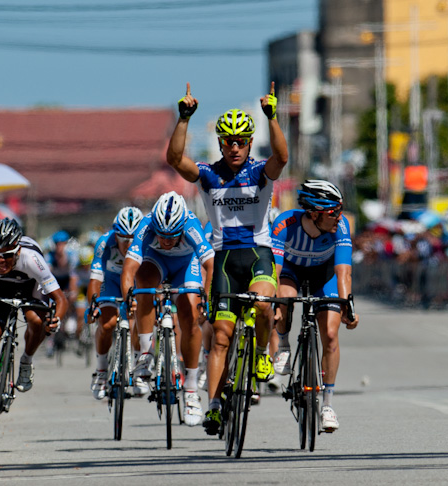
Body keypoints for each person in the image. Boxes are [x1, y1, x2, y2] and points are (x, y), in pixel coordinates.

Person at [166, 82, 288, 436]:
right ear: (220, 143)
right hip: (223, 261)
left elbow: (282, 158)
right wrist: (184, 118)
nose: (234, 147)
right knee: (220, 336)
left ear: (250, 143)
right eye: (228, 142)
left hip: (257, 254)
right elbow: (175, 160)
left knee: (264, 305)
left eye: (241, 141)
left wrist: (273, 117)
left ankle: (262, 355)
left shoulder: (259, 172)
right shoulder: (208, 174)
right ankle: (216, 406)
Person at [270, 180, 360, 432]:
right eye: (333, 212)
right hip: (290, 271)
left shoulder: (340, 226)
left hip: (324, 276)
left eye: (340, 210)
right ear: (314, 212)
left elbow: (343, 271)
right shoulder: (284, 224)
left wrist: (347, 306)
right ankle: (284, 345)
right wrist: (276, 306)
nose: (338, 217)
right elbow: (274, 272)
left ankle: (328, 405)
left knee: (330, 334)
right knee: (285, 298)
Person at [0, 218, 68, 427]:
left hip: (31, 286)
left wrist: (56, 319)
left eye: (7, 256)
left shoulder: (32, 258)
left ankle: (26, 361)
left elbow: (60, 299)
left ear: (17, 250)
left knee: (35, 320)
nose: (1, 261)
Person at [120, 192, 214, 426]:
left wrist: (207, 300)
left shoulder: (191, 225)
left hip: (186, 264)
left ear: (181, 227)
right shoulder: (146, 224)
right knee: (143, 288)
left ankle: (191, 390)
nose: (166, 240)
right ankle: (145, 353)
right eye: (162, 235)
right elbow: (129, 270)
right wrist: (128, 298)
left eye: (172, 236)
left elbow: (211, 265)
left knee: (190, 316)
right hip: (155, 261)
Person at [88, 207, 143, 400]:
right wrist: (93, 305)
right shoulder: (105, 242)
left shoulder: (147, 243)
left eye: (132, 239)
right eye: (123, 239)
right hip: (110, 282)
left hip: (137, 282)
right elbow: (95, 279)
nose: (128, 244)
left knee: (140, 322)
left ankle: (138, 369)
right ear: (116, 235)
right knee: (108, 324)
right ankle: (102, 371)